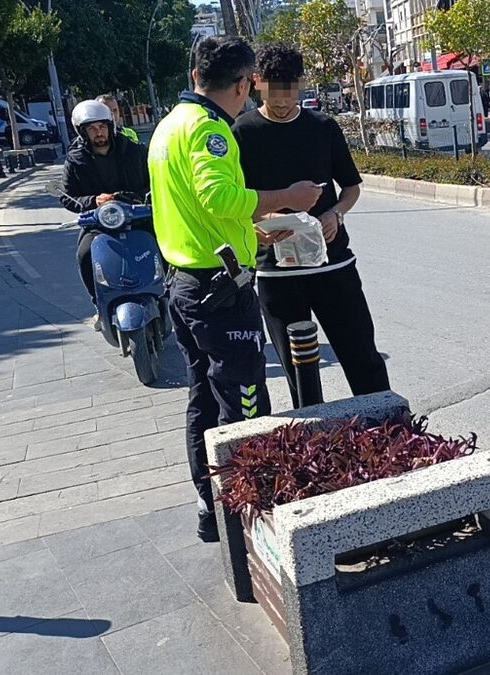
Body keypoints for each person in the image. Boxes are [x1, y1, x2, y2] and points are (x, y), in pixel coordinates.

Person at [149, 36, 322, 542]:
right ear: (245, 83)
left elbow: (195, 211)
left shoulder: (168, 126)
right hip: (218, 290)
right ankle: (252, 520)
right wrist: (287, 197)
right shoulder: (209, 131)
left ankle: (211, 509)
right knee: (245, 403)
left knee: (203, 398)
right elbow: (218, 196)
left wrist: (253, 230)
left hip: (186, 282)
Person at [233, 43, 390, 410]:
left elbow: (351, 188)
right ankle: (315, 445)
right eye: (274, 91)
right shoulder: (241, 133)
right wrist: (261, 223)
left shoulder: (322, 127)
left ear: (300, 84)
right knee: (298, 372)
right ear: (257, 84)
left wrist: (335, 214)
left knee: (362, 356)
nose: (283, 100)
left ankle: (387, 431)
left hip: (333, 265)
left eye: (290, 90)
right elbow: (235, 203)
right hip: (277, 273)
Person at [59, 100, 151, 321]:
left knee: (163, 245)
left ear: (111, 126)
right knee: (84, 254)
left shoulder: (134, 151)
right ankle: (99, 303)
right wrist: (93, 200)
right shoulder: (75, 160)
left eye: (102, 126)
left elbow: (154, 181)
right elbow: (66, 195)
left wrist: (134, 197)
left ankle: (165, 291)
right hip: (98, 223)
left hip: (137, 216)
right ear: (82, 132)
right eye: (92, 128)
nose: (98, 133)